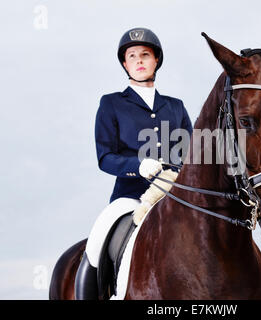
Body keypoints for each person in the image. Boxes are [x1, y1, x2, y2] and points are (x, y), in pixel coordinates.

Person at [74, 27, 193, 300]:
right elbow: (105, 157)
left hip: (175, 196)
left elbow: (190, 155)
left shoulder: (175, 107)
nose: (139, 60)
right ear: (125, 64)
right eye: (132, 56)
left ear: (156, 61)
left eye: (145, 55)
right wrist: (138, 165)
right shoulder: (112, 104)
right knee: (98, 241)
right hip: (130, 197)